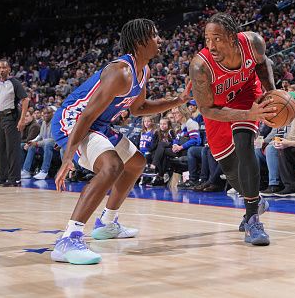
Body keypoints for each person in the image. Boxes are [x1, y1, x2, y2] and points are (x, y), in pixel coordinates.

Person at [50, 19, 191, 265]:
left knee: (136, 162)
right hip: (73, 122)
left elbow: (140, 108)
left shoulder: (143, 70)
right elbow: (86, 115)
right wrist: (66, 158)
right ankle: (68, 239)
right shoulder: (120, 72)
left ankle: (106, 223)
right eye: (154, 35)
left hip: (99, 124)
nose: (160, 39)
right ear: (139, 41)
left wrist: (178, 100)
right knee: (111, 166)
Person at [189, 13, 277, 246]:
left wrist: (271, 91)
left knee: (244, 145)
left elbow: (263, 62)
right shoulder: (200, 66)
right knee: (229, 167)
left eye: (216, 38)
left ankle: (252, 219)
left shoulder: (252, 42)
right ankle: (255, 201)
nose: (211, 45)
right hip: (217, 108)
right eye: (207, 39)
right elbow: (206, 109)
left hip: (247, 95)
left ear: (232, 37)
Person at [0, 59, 29, 187]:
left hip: (11, 116)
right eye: (0, 67)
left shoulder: (15, 83)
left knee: (12, 148)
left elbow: (25, 100)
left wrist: (22, 119)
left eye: (4, 67)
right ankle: (3, 177)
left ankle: (14, 178)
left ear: (9, 69)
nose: (2, 70)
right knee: (1, 148)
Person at [21, 108, 55, 180]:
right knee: (31, 146)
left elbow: (52, 139)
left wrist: (36, 143)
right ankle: (26, 171)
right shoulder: (43, 123)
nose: (46, 115)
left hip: (54, 148)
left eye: (48, 113)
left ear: (53, 114)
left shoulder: (55, 123)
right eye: (44, 113)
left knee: (48, 143)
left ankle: (44, 171)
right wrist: (31, 141)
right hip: (43, 146)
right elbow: (40, 136)